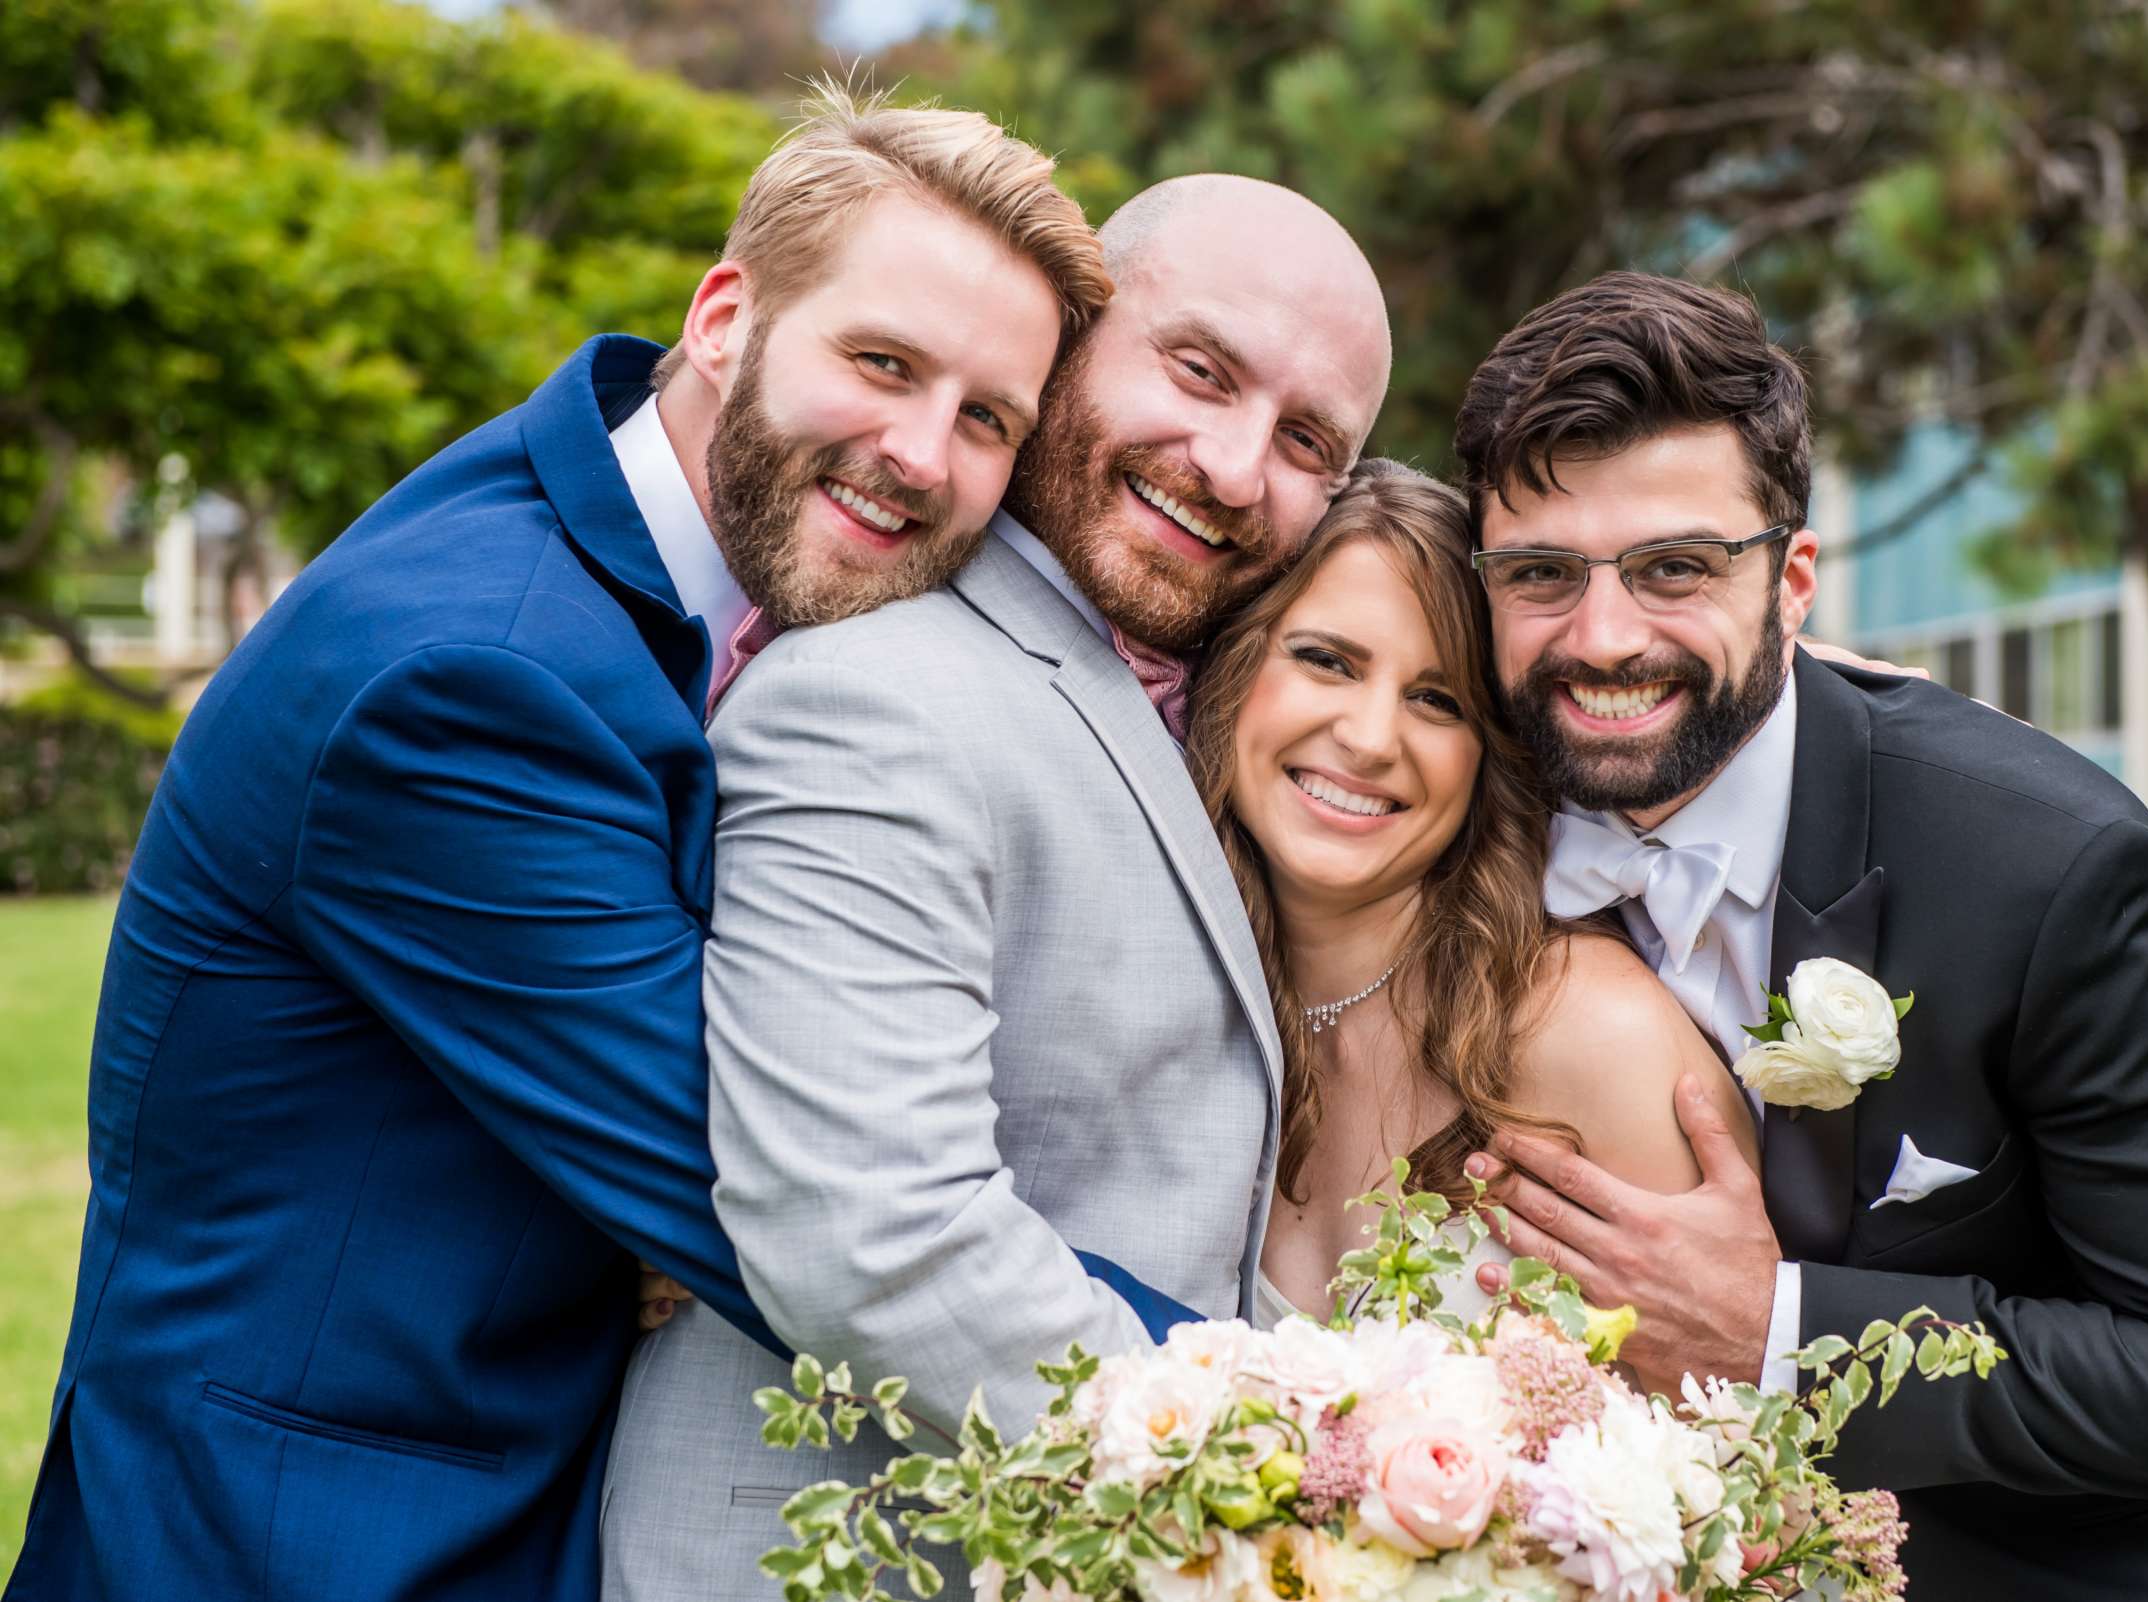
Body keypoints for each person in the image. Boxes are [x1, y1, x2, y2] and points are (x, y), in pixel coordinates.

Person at [4, 88, 1108, 1602]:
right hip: (306, 1545)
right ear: (725, 316)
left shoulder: (678, 581)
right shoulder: (472, 673)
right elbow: (811, 1199)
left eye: (988, 417)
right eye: (880, 362)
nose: (923, 453)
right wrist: (1326, 1427)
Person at [1449, 271, 2148, 1598]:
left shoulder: (2052, 868)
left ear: (1791, 585)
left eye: (1677, 567)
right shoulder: (1442, 794)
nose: (1604, 638)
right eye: (1542, 574)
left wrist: (1772, 1332)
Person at [596, 173, 1394, 1602]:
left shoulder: (1211, 700)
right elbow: (873, 1233)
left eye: (1307, 441)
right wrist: (1296, 1502)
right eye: (1199, 370)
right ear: (1074, 344)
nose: (1229, 463)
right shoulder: (876, 691)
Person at [1177, 461, 1754, 1321]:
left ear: (1493, 752)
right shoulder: (1183, 997)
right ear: (1231, 671)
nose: (1370, 740)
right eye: (1327, 660)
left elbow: (1740, 1418)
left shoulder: (1593, 1033)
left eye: (1438, 701)